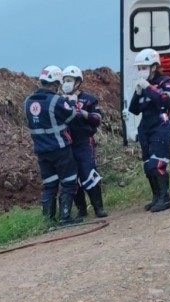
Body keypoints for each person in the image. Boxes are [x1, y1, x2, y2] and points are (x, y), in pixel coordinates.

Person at [25, 65, 86, 225]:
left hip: (41, 152)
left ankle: (48, 221)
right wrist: (72, 103)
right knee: (69, 181)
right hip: (60, 149)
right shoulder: (56, 100)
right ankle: (65, 217)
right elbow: (73, 116)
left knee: (49, 185)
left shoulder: (28, 101)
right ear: (55, 84)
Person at [128, 48, 170, 212]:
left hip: (160, 126)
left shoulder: (165, 81)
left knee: (157, 163)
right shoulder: (142, 85)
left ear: (154, 67)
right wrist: (138, 92)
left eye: (143, 68)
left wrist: (148, 88)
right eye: (139, 68)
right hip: (145, 127)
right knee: (148, 166)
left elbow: (166, 101)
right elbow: (134, 110)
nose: (141, 72)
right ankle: (156, 197)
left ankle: (165, 198)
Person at [61, 65, 107, 218]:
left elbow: (97, 118)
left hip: (84, 141)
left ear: (77, 82)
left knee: (88, 172)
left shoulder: (89, 99)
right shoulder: (59, 101)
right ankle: (81, 210)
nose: (66, 83)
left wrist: (82, 112)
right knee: (72, 177)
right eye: (64, 80)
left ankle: (98, 207)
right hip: (67, 143)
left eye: (69, 80)